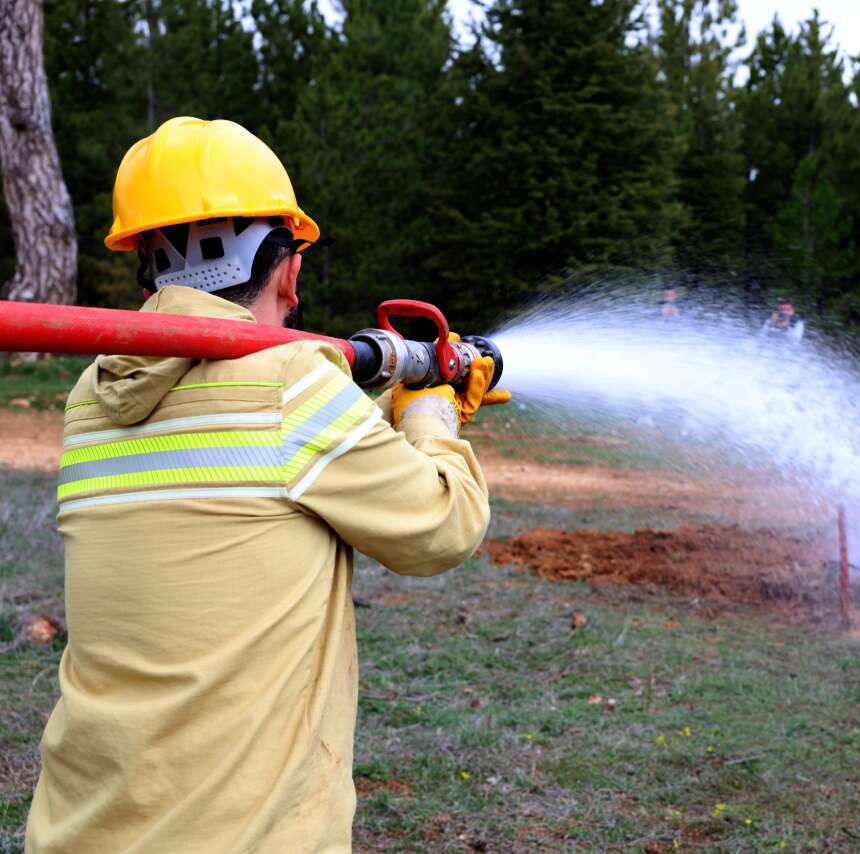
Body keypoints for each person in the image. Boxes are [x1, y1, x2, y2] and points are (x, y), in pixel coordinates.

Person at [24, 116, 507, 853]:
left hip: (85, 829)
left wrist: (375, 403)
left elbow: (240, 451)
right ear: (288, 268)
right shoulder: (291, 385)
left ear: (148, 266)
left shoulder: (92, 394)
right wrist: (433, 410)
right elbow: (443, 524)